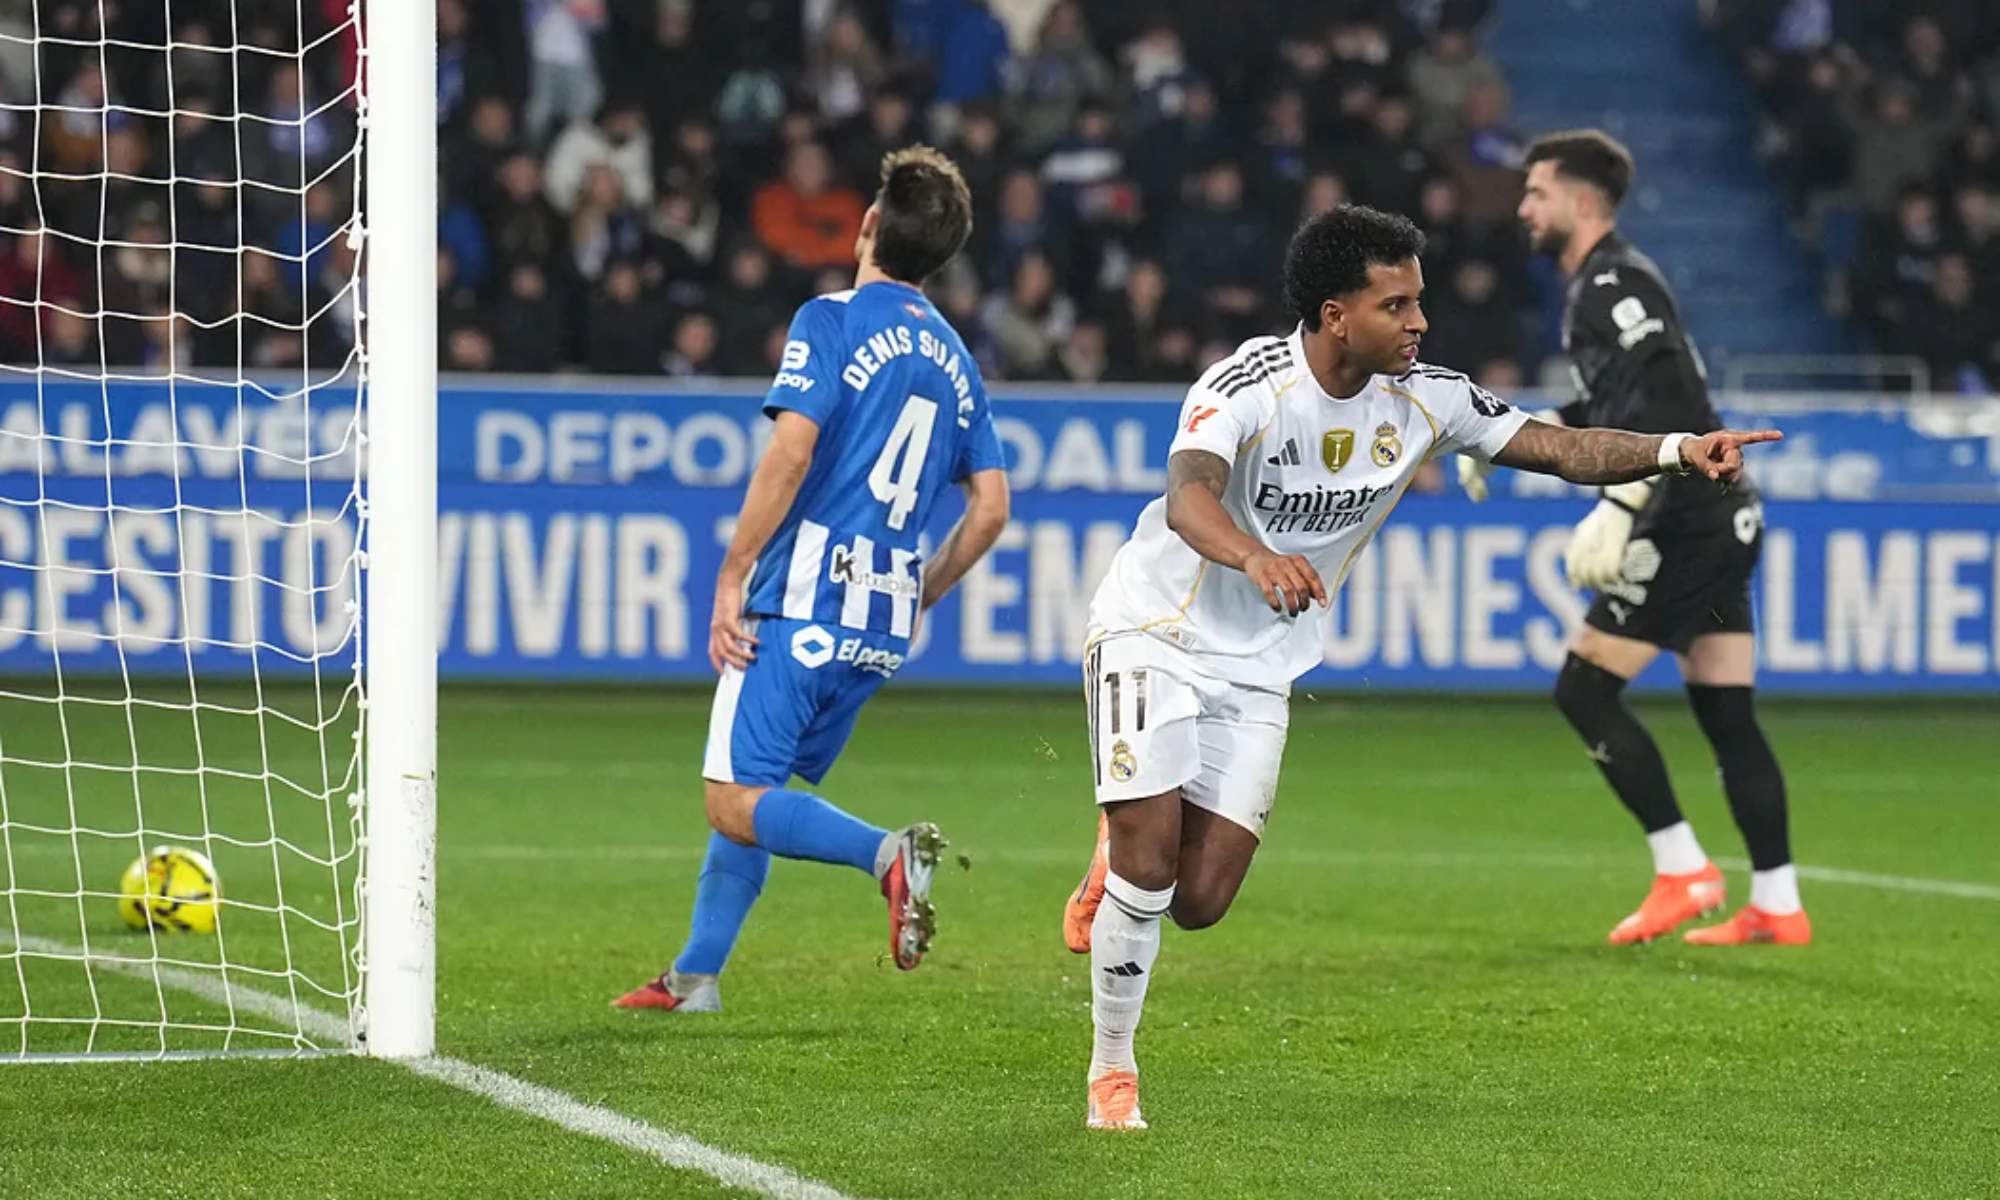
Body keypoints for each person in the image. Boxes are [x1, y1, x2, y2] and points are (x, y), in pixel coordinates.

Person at [1060, 203, 1781, 1130]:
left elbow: (1560, 448)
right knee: (1150, 869)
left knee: (1199, 902)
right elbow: (1188, 496)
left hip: (1263, 663)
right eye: (1396, 305)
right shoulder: (1246, 384)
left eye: (1419, 301)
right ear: (1335, 315)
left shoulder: (1429, 398)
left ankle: (1126, 834)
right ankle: (1113, 1071)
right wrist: (1253, 555)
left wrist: (1678, 450)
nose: (1419, 323)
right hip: (1155, 629)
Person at [614, 147, 1011, 1012]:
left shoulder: (831, 319)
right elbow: (990, 510)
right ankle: (695, 976)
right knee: (758, 784)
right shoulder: (957, 359)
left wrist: (733, 573)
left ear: (868, 224)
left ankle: (887, 855)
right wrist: (922, 593)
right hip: (879, 619)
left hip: (802, 598)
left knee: (732, 798)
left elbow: (790, 454)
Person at [1474, 128, 1810, 949]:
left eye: (1537, 192)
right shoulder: (1600, 281)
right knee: (1726, 712)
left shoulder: (1611, 279)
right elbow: (1616, 402)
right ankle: (1777, 904)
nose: (1525, 208)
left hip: (1684, 519)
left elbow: (1662, 383)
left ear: (1581, 200)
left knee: (1584, 690)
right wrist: (1517, 433)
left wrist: (1623, 504)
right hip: (1723, 515)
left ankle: (1683, 870)